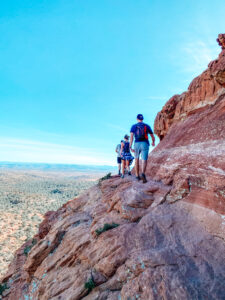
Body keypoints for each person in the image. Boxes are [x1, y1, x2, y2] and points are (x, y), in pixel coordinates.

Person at [130, 114, 155, 183]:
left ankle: (137, 176)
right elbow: (152, 136)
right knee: (144, 159)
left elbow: (131, 137)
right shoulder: (147, 126)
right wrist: (153, 142)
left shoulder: (134, 126)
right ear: (143, 119)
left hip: (137, 144)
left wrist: (130, 146)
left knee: (136, 159)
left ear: (137, 119)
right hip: (145, 143)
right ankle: (143, 173)